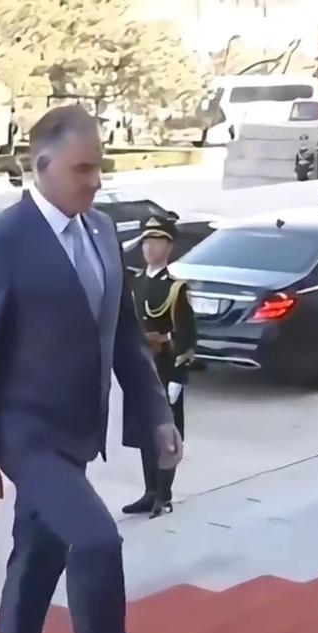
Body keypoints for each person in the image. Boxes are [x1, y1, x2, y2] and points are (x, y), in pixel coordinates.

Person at [0, 105, 182, 633]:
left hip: (78, 434)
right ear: (42, 165)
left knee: (36, 559)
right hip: (27, 436)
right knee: (97, 542)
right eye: (83, 169)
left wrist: (157, 415)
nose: (96, 180)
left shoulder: (102, 231)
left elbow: (125, 336)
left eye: (99, 167)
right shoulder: (0, 241)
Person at [121, 216, 197, 519]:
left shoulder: (176, 288)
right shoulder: (135, 282)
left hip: (165, 366)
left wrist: (179, 375)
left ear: (169, 247)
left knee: (166, 434)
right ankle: (150, 491)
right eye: (146, 243)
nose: (150, 248)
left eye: (157, 242)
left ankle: (164, 496)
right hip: (141, 367)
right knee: (145, 432)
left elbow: (187, 335)